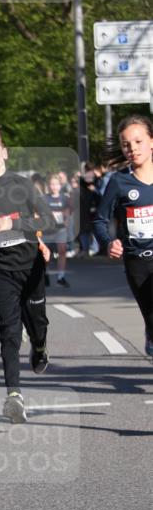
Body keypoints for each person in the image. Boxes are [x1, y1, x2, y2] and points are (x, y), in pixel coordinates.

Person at [0, 124, 56, 424]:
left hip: (30, 265)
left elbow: (49, 220)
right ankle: (13, 395)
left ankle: (40, 347)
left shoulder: (23, 184)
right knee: (8, 328)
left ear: (3, 152)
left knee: (38, 322)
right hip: (0, 267)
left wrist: (15, 226)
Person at [94, 114, 153, 359]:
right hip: (137, 261)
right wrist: (109, 242)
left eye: (138, 142)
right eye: (126, 144)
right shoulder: (119, 182)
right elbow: (100, 220)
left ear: (151, 142)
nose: (132, 148)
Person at [44, 174, 71, 287]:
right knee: (46, 255)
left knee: (62, 251)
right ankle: (45, 273)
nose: (54, 187)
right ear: (48, 186)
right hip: (47, 231)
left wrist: (66, 221)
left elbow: (67, 211)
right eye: (51, 184)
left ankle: (61, 276)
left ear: (60, 186)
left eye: (56, 184)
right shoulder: (44, 198)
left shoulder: (64, 198)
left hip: (60, 230)